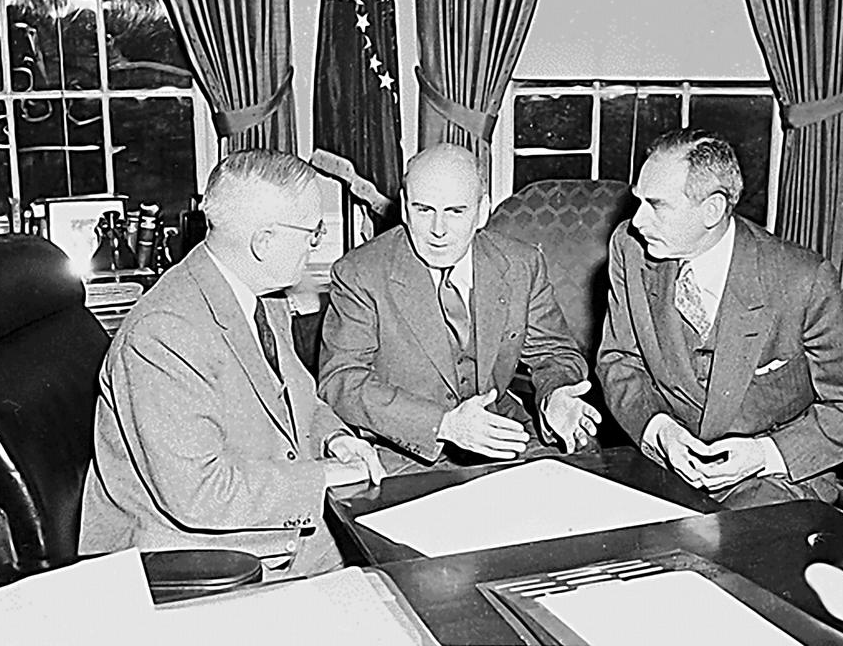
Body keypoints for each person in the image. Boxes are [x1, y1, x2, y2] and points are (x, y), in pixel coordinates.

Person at [79, 150, 384, 578]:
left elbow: (298, 400)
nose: (316, 245)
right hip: (198, 557)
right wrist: (325, 476)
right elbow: (200, 494)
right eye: (312, 232)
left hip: (261, 527)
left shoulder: (261, 295)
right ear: (264, 242)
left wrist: (335, 439)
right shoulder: (164, 334)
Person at [597, 128, 843, 508]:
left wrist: (765, 454)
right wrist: (659, 430)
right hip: (662, 466)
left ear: (713, 210)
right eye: (639, 201)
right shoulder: (630, 250)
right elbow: (620, 359)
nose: (637, 221)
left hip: (773, 482)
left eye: (656, 205)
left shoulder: (801, 279)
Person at [318, 143, 600, 473]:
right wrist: (446, 425)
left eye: (455, 211)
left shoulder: (521, 264)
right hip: (402, 451)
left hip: (505, 436)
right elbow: (340, 379)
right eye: (424, 210)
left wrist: (555, 395)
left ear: (482, 212)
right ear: (405, 210)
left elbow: (554, 352)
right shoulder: (360, 272)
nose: (438, 230)